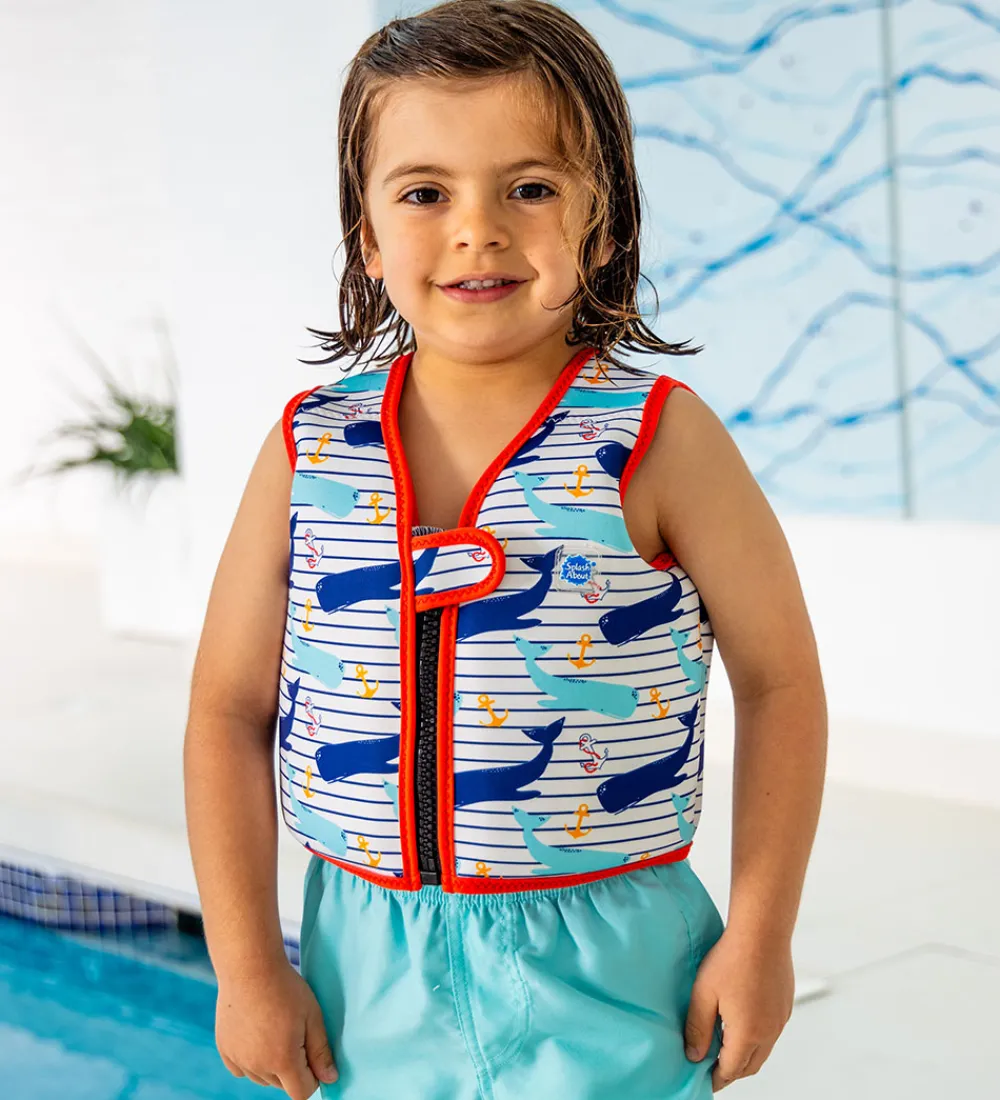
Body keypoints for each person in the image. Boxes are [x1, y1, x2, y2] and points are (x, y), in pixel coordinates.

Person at [183, 2, 827, 1098]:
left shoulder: (660, 440)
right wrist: (244, 965)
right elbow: (226, 711)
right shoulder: (311, 448)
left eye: (529, 188)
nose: (476, 230)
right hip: (365, 962)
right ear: (366, 236)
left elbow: (781, 683)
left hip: (609, 950)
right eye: (424, 193)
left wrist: (760, 935)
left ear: (604, 223)